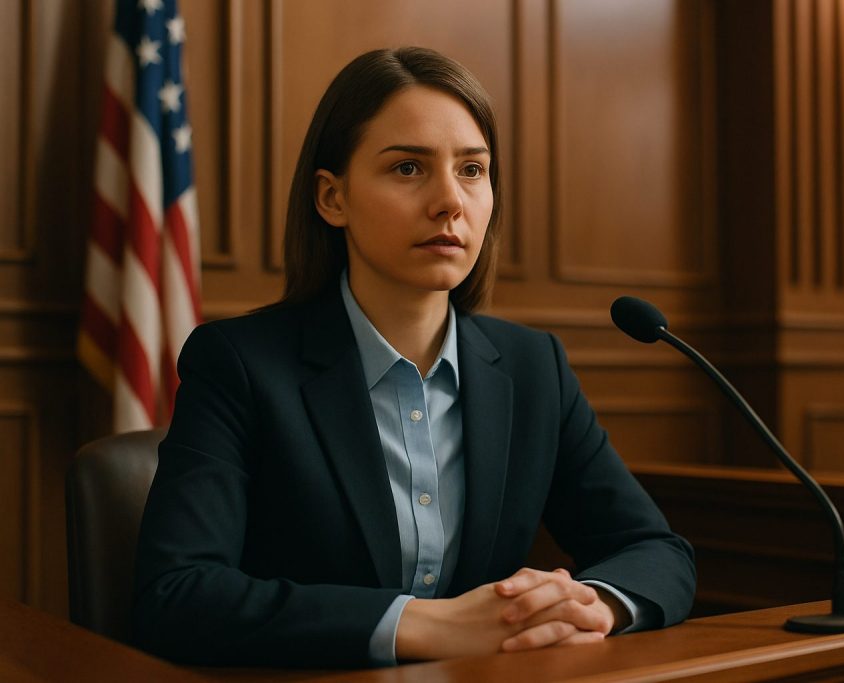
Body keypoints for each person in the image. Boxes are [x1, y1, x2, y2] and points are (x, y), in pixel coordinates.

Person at [132, 46, 695, 669]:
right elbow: (175, 595)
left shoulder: (534, 368)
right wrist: (422, 626)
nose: (450, 202)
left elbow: (654, 549)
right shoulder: (238, 364)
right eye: (407, 168)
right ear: (332, 198)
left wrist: (593, 605)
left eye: (473, 170)